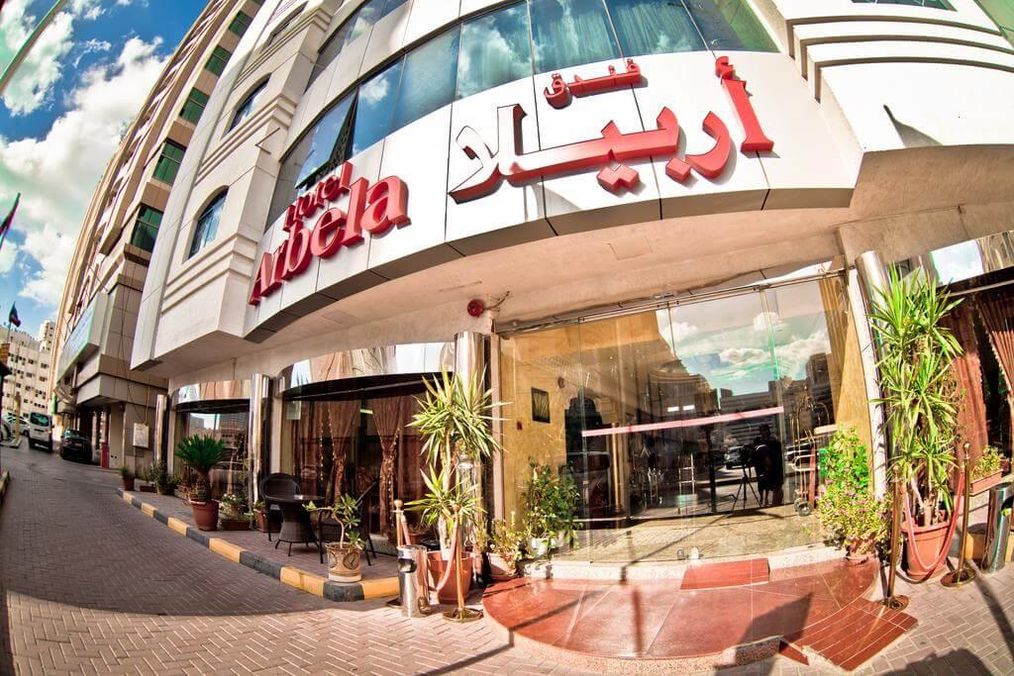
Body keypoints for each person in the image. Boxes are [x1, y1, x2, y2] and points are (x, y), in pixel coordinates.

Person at [753, 424, 784, 507]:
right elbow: (756, 453)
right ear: (760, 432)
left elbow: (778, 453)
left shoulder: (774, 441)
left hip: (775, 467)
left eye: (766, 430)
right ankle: (769, 502)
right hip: (763, 469)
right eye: (762, 430)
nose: (764, 432)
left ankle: (776, 504)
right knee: (765, 485)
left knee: (777, 487)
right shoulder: (758, 441)